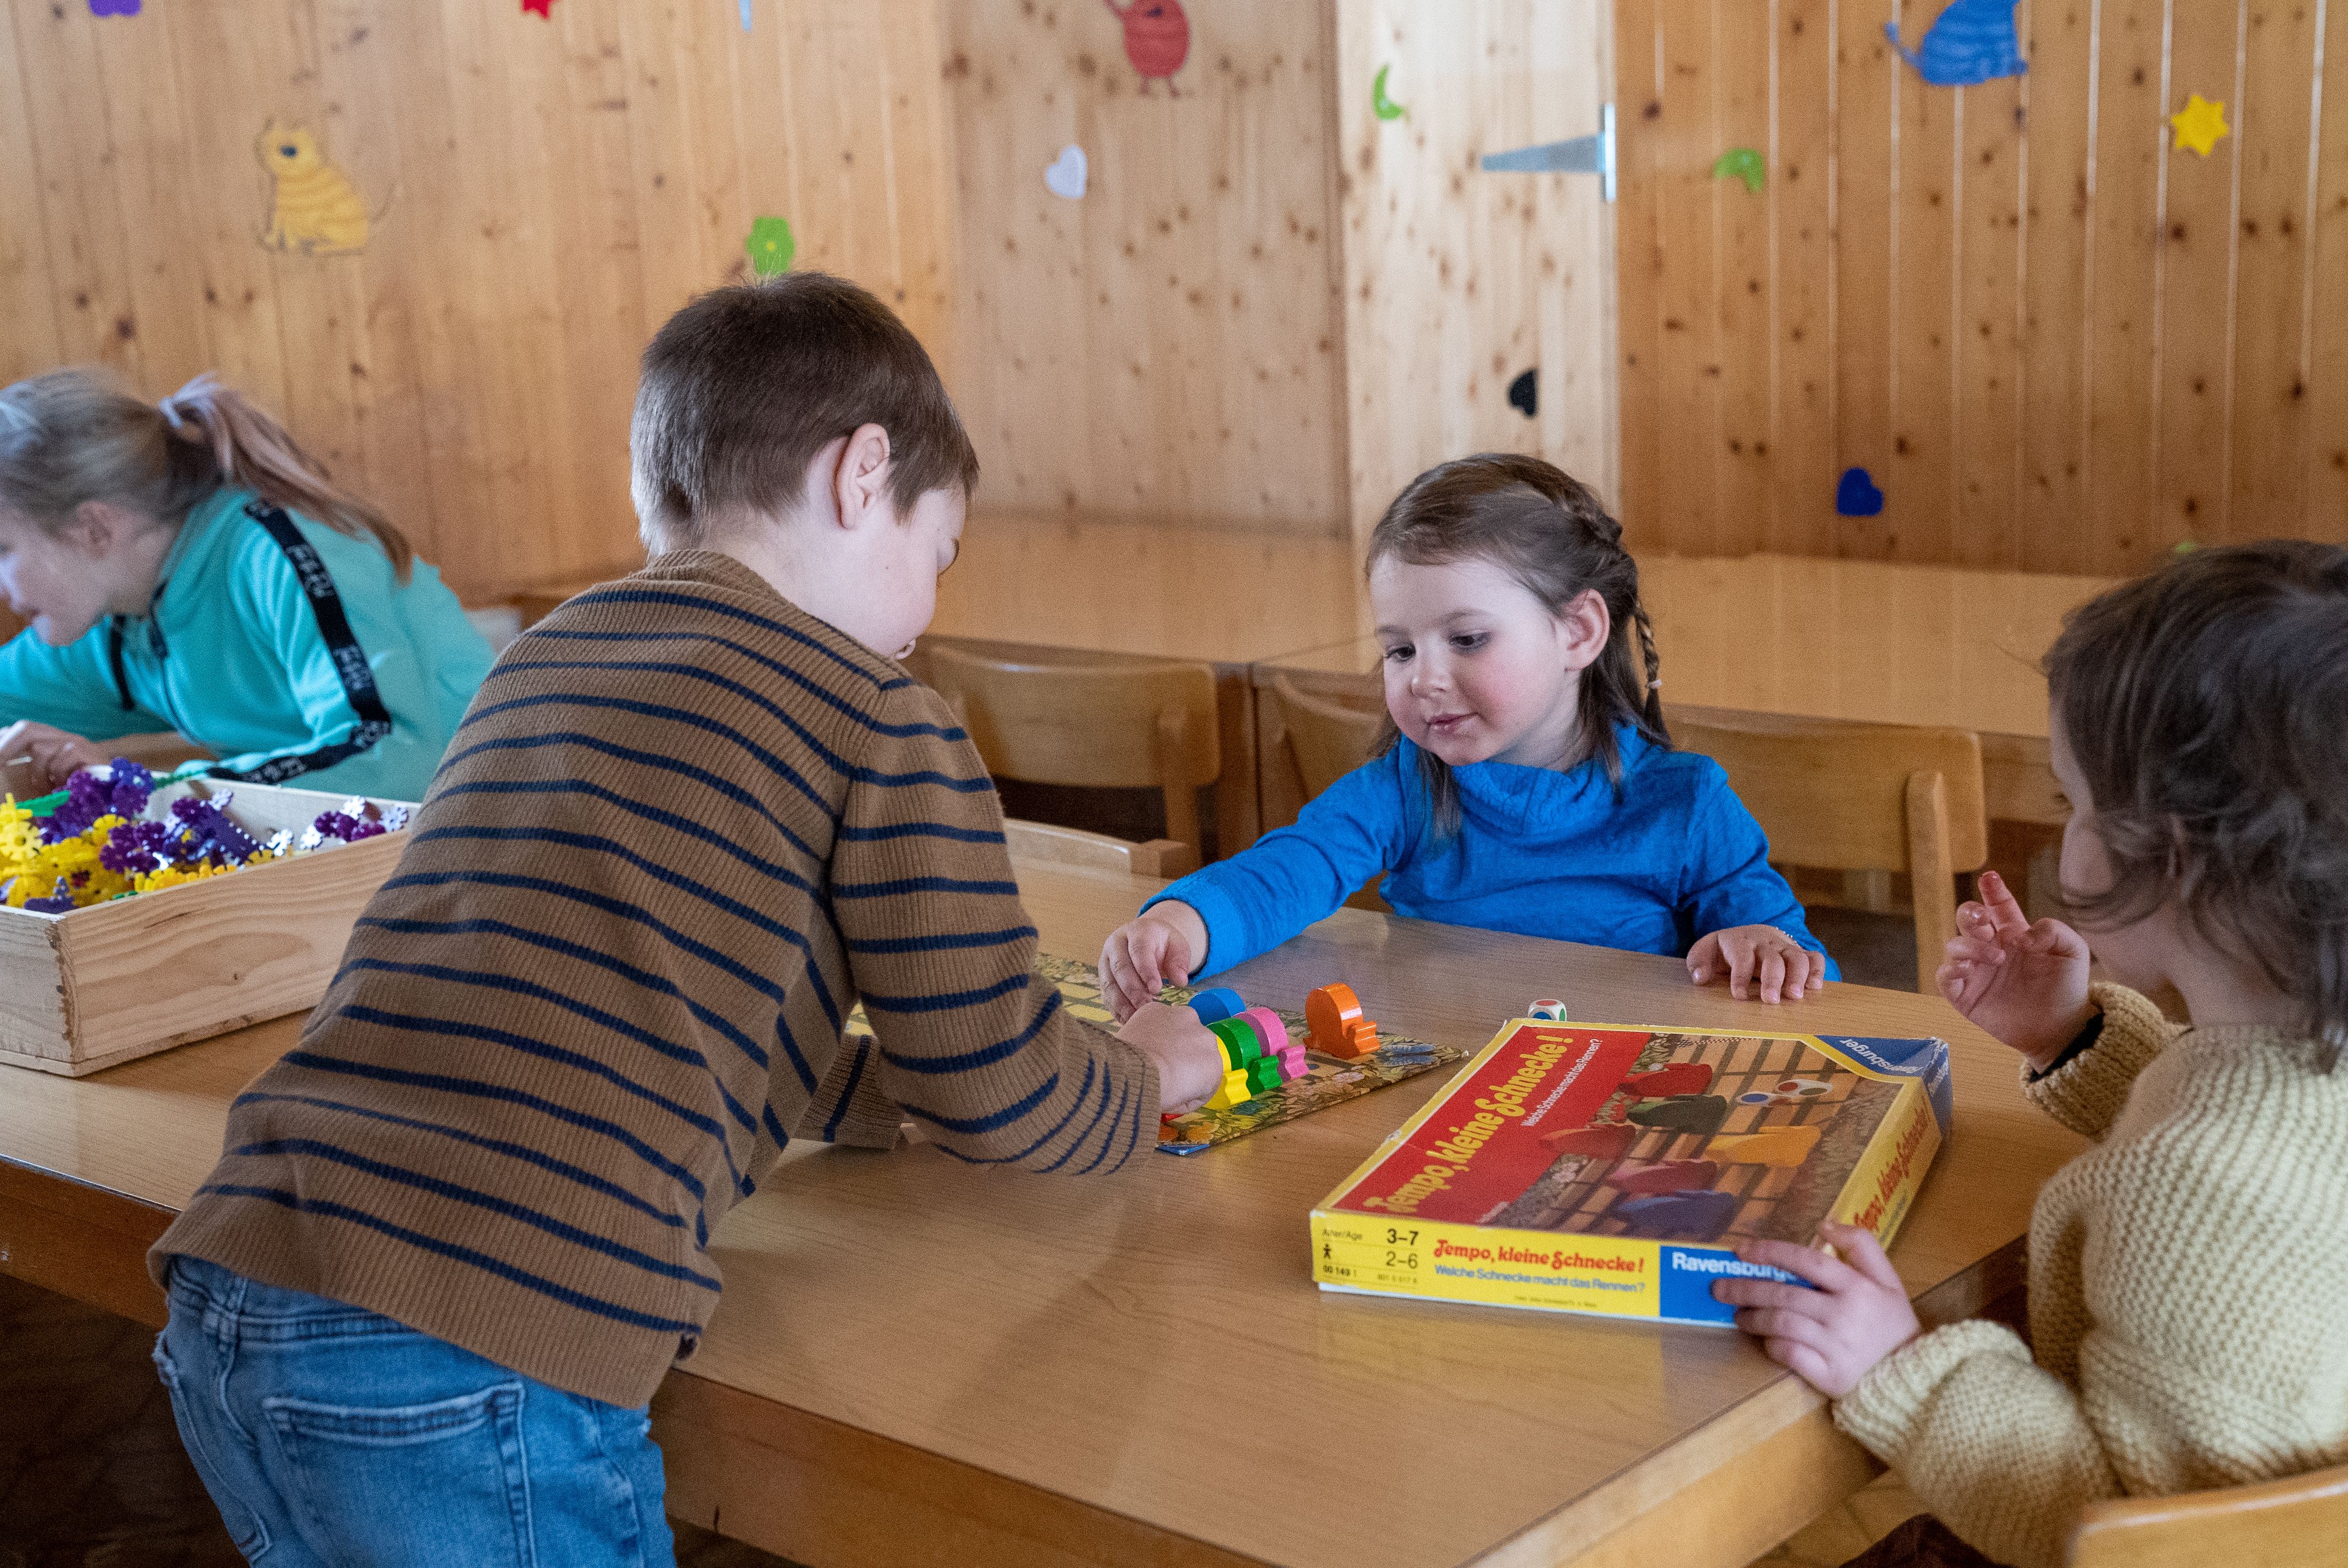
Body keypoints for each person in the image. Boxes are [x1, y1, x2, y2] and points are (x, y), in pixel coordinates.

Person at [143, 274, 1227, 1565]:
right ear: (861, 472)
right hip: (472, 1340)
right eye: (937, 553)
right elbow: (998, 1076)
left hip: (235, 1282)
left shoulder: (542, 658)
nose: (926, 606)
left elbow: (638, 975)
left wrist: (876, 1097)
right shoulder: (878, 716)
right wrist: (1144, 1073)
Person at [1713, 541, 2348, 1568]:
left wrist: (1904, 1364)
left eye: (2071, 803)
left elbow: (2109, 1529)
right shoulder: (2294, 1054)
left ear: (2171, 853)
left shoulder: (2189, 1201)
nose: (2065, 841)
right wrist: (2075, 1034)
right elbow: (2252, 1137)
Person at [1097, 453, 1834, 1020]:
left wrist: (1766, 950)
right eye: (1400, 649)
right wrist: (1182, 922)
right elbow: (1292, 868)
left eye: (1469, 639)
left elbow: (1804, 973)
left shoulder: (1688, 805)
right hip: (1454, 1087)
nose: (1424, 679)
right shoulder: (1405, 785)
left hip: (1626, 1100)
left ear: (1577, 631)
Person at [0, 369, 490, 802]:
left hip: (494, 822)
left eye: (3, 550)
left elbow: (392, 755)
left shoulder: (280, 548)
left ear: (94, 529)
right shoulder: (117, 618)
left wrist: (146, 794)